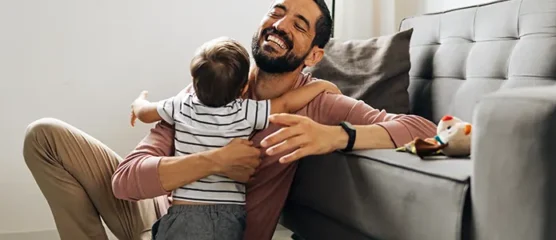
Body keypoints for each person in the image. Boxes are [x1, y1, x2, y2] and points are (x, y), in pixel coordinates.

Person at [22, 0, 437, 239]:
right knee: (44, 137)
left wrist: (333, 136)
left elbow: (422, 129)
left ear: (313, 55)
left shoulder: (318, 103)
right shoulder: (219, 79)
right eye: (277, 11)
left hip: (219, 232)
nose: (279, 24)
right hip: (159, 212)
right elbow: (127, 179)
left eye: (298, 24)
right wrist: (214, 162)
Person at [129, 36, 339, 240]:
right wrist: (319, 87)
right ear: (244, 88)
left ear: (194, 80)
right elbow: (285, 103)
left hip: (186, 211)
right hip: (229, 216)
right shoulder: (245, 111)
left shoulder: (180, 105)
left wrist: (138, 102)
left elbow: (145, 113)